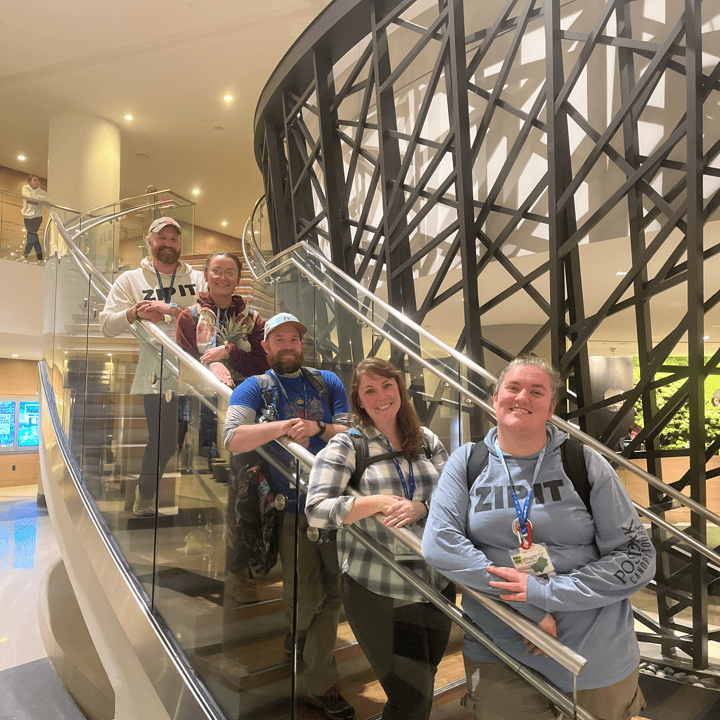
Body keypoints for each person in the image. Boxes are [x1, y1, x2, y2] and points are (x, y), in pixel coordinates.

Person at [422, 354, 656, 720]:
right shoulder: (467, 462)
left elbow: (637, 555)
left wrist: (546, 594)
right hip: (501, 649)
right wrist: (528, 607)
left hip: (593, 654)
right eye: (512, 388)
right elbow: (440, 544)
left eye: (536, 391)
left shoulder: (584, 462)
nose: (522, 397)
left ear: (551, 408)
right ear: (495, 398)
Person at [306, 357, 454, 720]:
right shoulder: (348, 445)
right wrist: (376, 503)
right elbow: (317, 509)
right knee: (411, 698)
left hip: (435, 583)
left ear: (400, 389)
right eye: (369, 389)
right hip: (379, 587)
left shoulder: (427, 440)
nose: (381, 396)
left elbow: (456, 497)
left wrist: (421, 507)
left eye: (387, 386)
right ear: (358, 400)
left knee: (422, 687)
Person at [223, 312, 354, 720]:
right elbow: (233, 438)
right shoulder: (253, 387)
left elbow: (351, 431)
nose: (286, 345)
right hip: (288, 508)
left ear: (301, 343)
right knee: (305, 598)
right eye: (277, 339)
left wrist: (316, 427)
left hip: (333, 504)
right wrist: (282, 427)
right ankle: (309, 668)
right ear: (265, 347)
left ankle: (312, 672)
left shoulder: (326, 381)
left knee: (333, 594)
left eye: (293, 339)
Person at [99, 217, 207, 516]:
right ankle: (145, 495)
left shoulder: (197, 279)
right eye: (162, 238)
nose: (168, 243)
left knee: (198, 439)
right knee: (163, 441)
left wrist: (171, 310)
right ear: (150, 242)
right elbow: (107, 325)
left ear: (180, 244)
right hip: (156, 371)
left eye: (174, 239)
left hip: (198, 370)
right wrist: (135, 311)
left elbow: (212, 317)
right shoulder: (131, 280)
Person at [175, 251, 269, 387]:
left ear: (238, 279)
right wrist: (212, 364)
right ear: (206, 275)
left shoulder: (252, 320)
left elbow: (262, 367)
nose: (223, 278)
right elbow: (187, 365)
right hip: (201, 398)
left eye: (230, 273)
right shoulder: (189, 317)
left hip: (245, 395)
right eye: (216, 271)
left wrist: (230, 352)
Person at [21, 175, 48, 262]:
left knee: (31, 236)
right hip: (27, 217)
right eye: (34, 180)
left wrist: (40, 199)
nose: (37, 182)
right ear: (29, 181)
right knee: (33, 238)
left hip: (37, 217)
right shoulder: (25, 188)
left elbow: (49, 202)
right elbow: (28, 197)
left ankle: (24, 256)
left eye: (38, 180)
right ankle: (40, 259)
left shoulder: (42, 192)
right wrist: (40, 199)